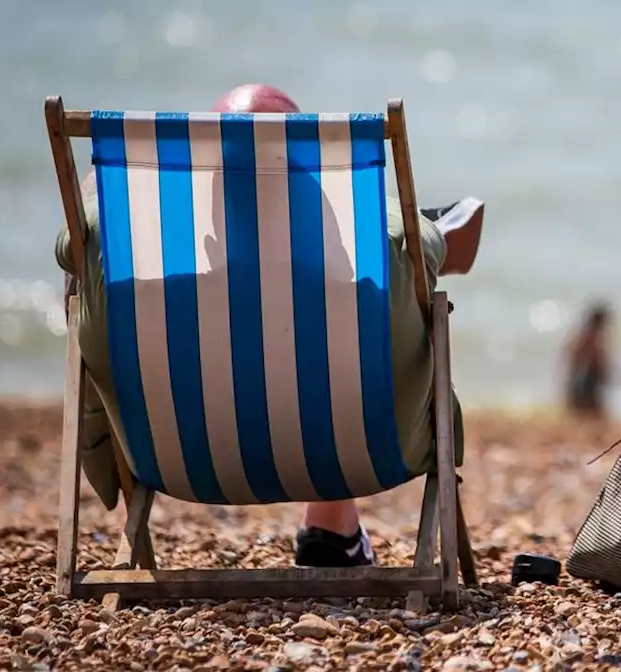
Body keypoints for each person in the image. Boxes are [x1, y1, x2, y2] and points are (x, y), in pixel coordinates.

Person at [56, 84, 486, 568]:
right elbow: (429, 240)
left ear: (210, 210)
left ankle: (334, 532)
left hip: (180, 466)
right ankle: (331, 526)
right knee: (342, 345)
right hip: (363, 458)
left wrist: (104, 193)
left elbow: (75, 241)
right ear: (316, 210)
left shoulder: (140, 298)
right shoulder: (377, 280)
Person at [563, 301, 613, 418]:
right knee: (591, 414)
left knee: (583, 414)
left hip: (583, 378)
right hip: (587, 378)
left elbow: (571, 358)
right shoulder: (591, 337)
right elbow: (596, 361)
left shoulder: (581, 335)